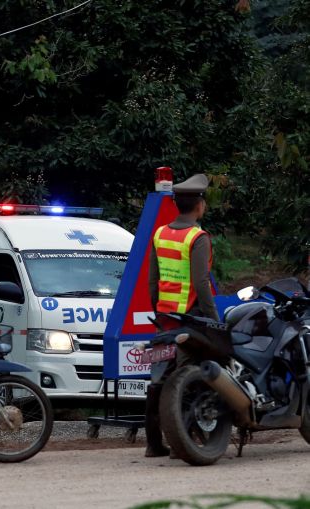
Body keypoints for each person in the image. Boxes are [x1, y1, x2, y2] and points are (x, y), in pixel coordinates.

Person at [145, 173, 220, 458]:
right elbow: (201, 283)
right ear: (199, 205)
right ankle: (185, 440)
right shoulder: (197, 237)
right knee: (188, 377)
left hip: (164, 317)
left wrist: (157, 311)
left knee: (159, 378)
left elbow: (153, 281)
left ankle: (153, 443)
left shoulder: (160, 234)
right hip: (190, 319)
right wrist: (213, 320)